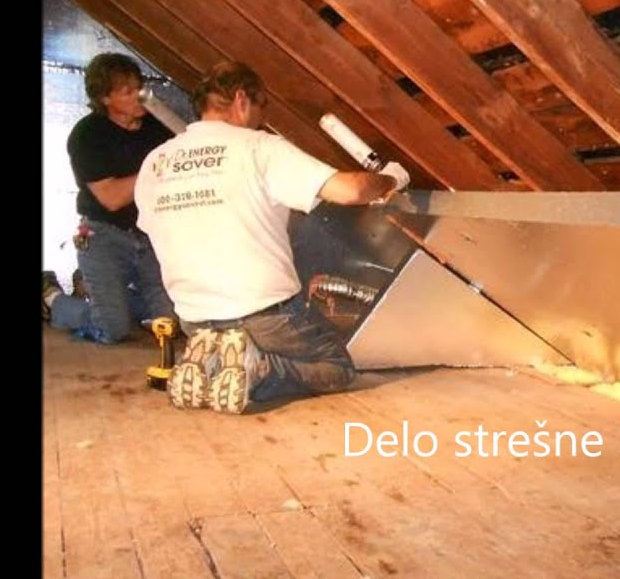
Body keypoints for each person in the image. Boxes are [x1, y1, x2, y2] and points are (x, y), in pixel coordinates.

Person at [135, 61, 406, 414]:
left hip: (194, 319)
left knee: (248, 336)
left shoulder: (155, 162)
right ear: (241, 99)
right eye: (261, 107)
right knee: (336, 367)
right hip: (263, 316)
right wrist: (391, 178)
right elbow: (351, 190)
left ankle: (213, 361)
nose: (261, 119)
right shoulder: (259, 148)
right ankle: (257, 369)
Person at [44, 53, 177, 343]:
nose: (139, 96)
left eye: (139, 87)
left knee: (169, 324)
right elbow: (112, 198)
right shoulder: (87, 135)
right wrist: (156, 168)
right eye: (127, 92)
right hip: (104, 235)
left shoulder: (157, 127)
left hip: (149, 235)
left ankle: (103, 293)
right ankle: (52, 297)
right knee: (111, 329)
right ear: (105, 98)